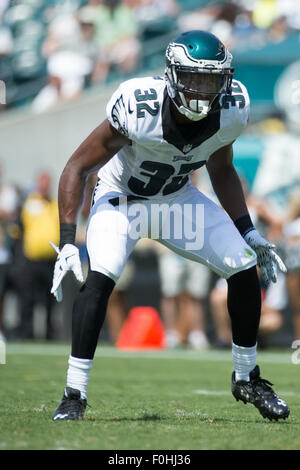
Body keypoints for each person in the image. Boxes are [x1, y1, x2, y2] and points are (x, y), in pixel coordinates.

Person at [50, 30, 289, 421]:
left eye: (210, 80)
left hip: (176, 200)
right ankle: (74, 393)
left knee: (243, 265)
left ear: (224, 81)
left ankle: (246, 378)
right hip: (122, 198)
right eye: (192, 78)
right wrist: (66, 241)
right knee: (101, 277)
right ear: (171, 75)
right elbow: (77, 166)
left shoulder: (231, 108)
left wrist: (248, 230)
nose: (200, 89)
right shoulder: (138, 105)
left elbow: (222, 168)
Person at [18, 171, 60, 339]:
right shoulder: (30, 203)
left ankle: (49, 334)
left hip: (50, 260)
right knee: (28, 298)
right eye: (42, 182)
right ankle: (27, 333)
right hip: (32, 259)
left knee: (50, 300)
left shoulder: (55, 204)